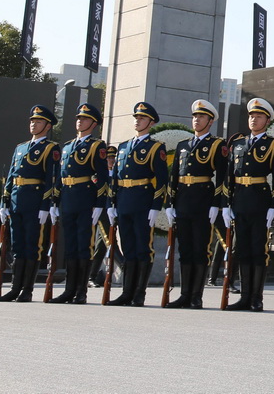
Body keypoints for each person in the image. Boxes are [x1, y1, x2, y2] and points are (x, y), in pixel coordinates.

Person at [163, 99, 227, 309]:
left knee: (201, 249)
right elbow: (174, 176)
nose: (196, 120)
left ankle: (196, 295)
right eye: (194, 116)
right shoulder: (183, 145)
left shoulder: (217, 145)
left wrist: (216, 203)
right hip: (183, 201)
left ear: (210, 121)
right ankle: (184, 294)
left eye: (201, 117)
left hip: (202, 201)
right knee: (185, 250)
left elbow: (222, 177)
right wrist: (170, 203)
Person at [224, 97, 274, 311]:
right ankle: (244, 295)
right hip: (239, 200)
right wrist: (226, 203)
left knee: (258, 250)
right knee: (242, 250)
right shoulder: (238, 144)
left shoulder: (273, 144)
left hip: (260, 201)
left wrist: (273, 205)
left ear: (267, 121)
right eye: (251, 116)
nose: (253, 119)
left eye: (258, 116)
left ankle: (256, 298)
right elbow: (228, 176)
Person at [0, 105, 60, 302]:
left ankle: (27, 290)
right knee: (17, 246)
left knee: (32, 246)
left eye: (38, 121)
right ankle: (15, 287)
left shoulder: (51, 148)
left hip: (34, 202)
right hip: (16, 201)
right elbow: (10, 177)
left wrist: (45, 206)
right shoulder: (20, 147)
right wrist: (4, 202)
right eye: (32, 121)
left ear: (47, 126)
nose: (33, 124)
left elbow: (52, 178)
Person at [46, 102, 110, 304]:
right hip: (68, 198)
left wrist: (99, 203)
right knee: (70, 246)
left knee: (84, 246)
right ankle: (69, 289)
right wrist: (55, 201)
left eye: (83, 118)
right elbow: (60, 176)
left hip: (85, 199)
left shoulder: (96, 145)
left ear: (93, 123)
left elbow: (101, 177)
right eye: (78, 118)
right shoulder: (67, 146)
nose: (79, 121)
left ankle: (81, 291)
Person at [106, 101, 169, 306]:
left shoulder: (155, 147)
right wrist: (112, 203)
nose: (137, 121)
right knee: (128, 248)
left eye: (141, 118)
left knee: (143, 248)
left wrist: (155, 206)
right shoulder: (123, 147)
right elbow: (114, 178)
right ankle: (127, 292)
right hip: (124, 201)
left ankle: (139, 293)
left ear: (150, 122)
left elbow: (161, 180)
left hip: (142, 202)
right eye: (136, 118)